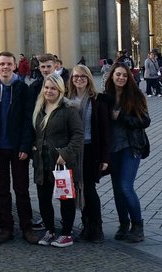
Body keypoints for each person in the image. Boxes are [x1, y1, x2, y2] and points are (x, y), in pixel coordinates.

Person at [0, 51, 38, 245]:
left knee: (21, 189)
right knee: (1, 190)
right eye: (2, 64)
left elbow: (28, 119)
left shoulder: (24, 89)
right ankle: (6, 227)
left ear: (15, 66)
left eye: (9, 64)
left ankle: (27, 227)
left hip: (17, 149)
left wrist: (25, 145)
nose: (5, 67)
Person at [31, 73, 83, 247]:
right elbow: (35, 133)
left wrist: (66, 153)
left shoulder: (68, 110)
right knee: (43, 199)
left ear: (60, 90)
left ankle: (67, 233)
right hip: (42, 162)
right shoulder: (38, 109)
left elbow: (78, 135)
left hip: (62, 164)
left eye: (53, 88)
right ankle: (50, 230)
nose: (49, 91)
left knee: (65, 199)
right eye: (46, 87)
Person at [104, 62, 151, 243]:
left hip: (131, 147)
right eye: (118, 74)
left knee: (125, 186)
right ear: (112, 76)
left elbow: (145, 121)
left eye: (124, 75)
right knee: (117, 189)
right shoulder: (106, 97)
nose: (121, 78)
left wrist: (122, 118)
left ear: (129, 77)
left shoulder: (135, 95)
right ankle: (123, 224)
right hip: (113, 148)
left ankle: (137, 226)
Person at [65, 65, 110, 243]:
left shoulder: (97, 100)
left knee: (89, 189)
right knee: (78, 188)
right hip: (73, 151)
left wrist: (106, 157)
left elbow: (105, 130)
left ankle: (96, 227)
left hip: (91, 150)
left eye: (83, 76)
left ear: (89, 78)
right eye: (76, 76)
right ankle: (86, 225)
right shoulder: (67, 99)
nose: (79, 79)